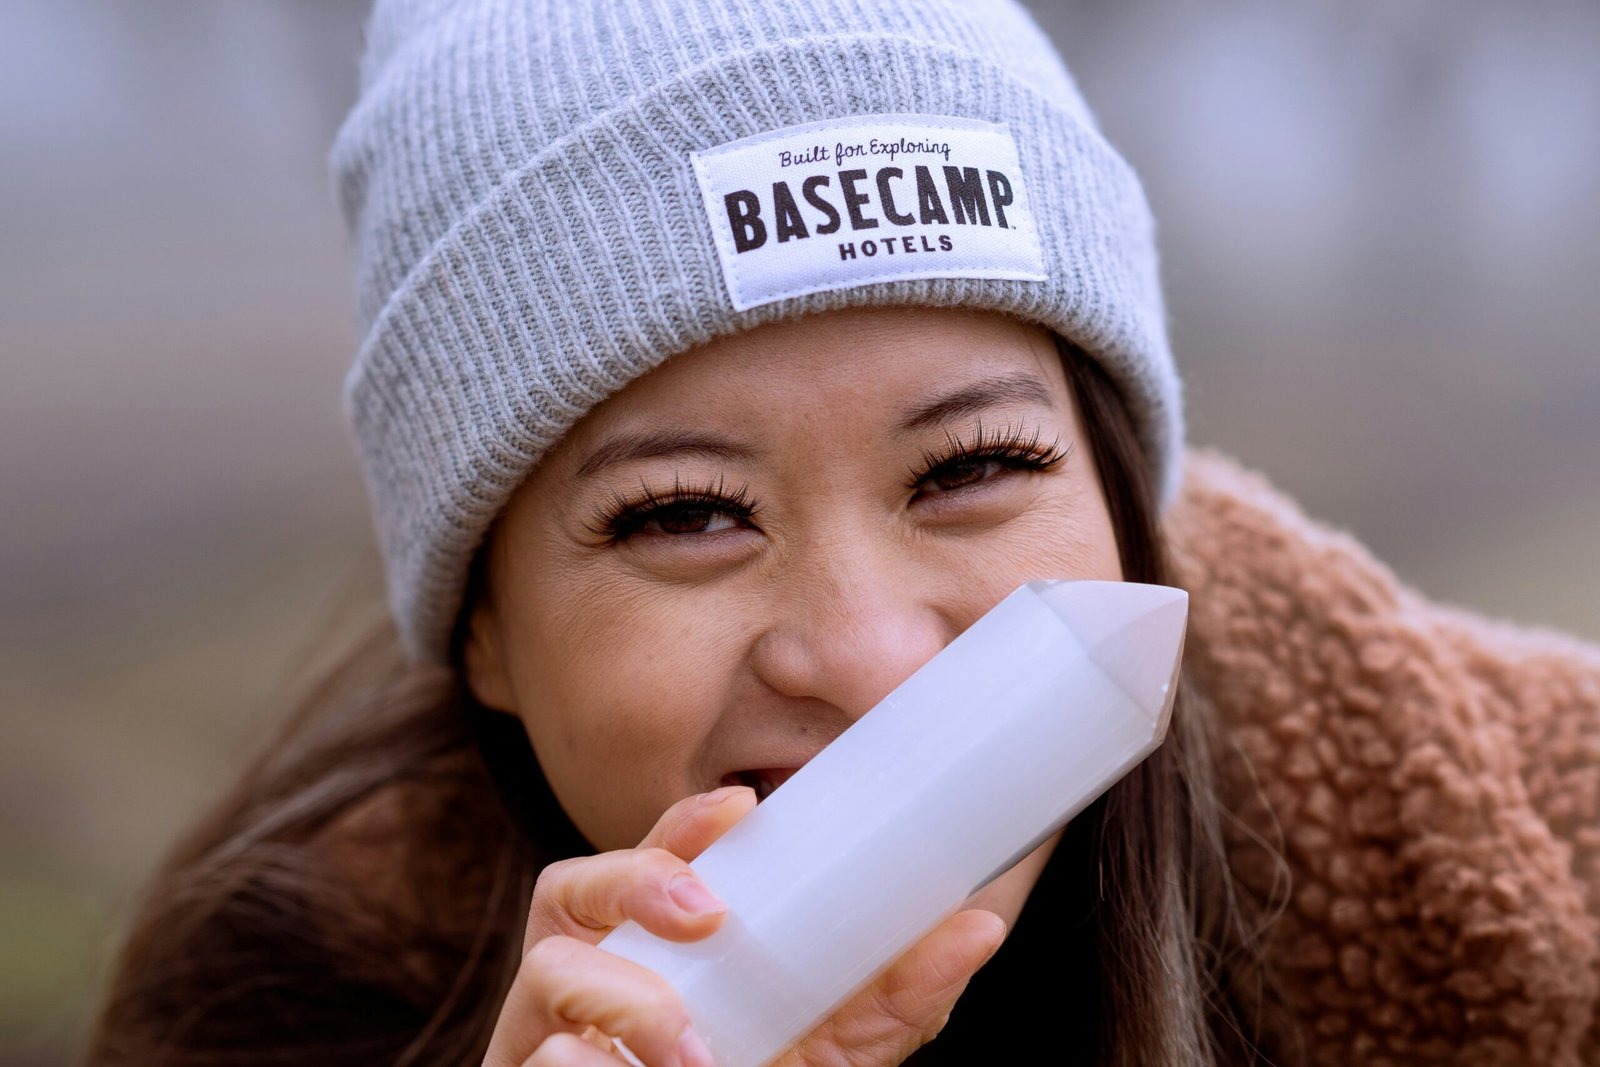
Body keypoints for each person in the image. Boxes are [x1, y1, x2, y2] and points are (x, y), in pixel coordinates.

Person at [86, 1, 1600, 1064]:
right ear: (484, 631)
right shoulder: (288, 1000)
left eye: (971, 468)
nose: (873, 660)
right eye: (684, 513)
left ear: (1124, 503)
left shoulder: (1552, 903)